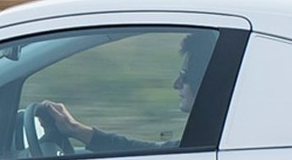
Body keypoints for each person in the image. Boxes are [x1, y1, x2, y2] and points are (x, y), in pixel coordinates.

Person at [35, 30, 213, 152]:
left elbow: (149, 154)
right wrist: (75, 129)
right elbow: (150, 152)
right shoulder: (208, 137)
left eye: (185, 76)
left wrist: (76, 130)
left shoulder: (209, 142)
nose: (176, 84)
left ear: (204, 80)